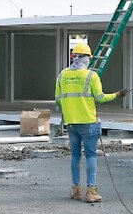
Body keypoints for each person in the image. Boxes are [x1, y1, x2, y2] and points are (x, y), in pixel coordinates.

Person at [54, 42, 127, 203]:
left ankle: (76, 190)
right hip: (88, 122)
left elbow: (58, 101)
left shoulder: (62, 75)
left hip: (71, 123)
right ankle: (91, 191)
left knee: (75, 155)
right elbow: (100, 98)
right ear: (86, 58)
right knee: (91, 156)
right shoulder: (91, 76)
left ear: (73, 57)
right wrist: (117, 94)